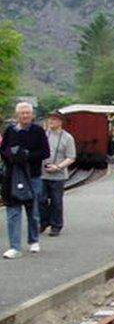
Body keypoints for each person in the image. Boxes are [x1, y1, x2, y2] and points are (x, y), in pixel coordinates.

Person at [1, 103, 51, 258]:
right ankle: (14, 246)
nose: (25, 116)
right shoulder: (10, 131)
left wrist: (27, 156)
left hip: (33, 175)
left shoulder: (38, 131)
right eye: (22, 113)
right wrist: (11, 155)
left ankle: (33, 240)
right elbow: (3, 150)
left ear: (32, 115)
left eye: (27, 113)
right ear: (17, 115)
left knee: (33, 210)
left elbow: (45, 152)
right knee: (13, 211)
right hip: (13, 175)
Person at [40, 111, 76, 237]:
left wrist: (58, 166)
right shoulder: (43, 135)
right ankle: (43, 222)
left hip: (58, 174)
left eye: (54, 120)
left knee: (56, 201)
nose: (51, 122)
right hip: (42, 173)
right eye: (50, 119)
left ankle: (56, 225)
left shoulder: (67, 138)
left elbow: (71, 157)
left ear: (60, 122)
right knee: (41, 199)